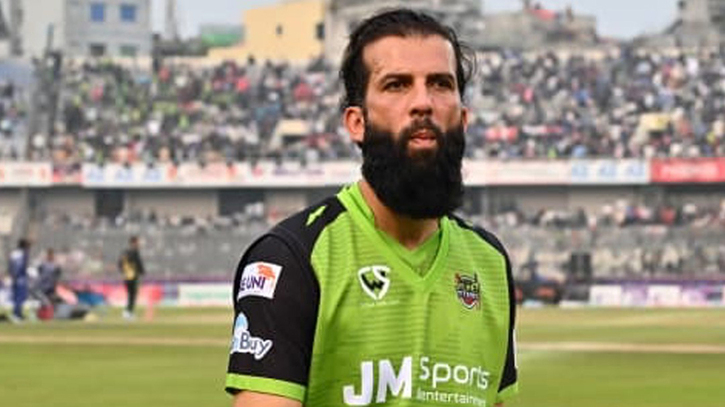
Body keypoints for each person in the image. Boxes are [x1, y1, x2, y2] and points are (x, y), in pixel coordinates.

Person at [225, 9, 518, 407]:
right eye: (397, 85)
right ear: (356, 122)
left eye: (440, 84)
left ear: (463, 118)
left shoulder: (490, 263)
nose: (423, 102)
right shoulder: (294, 258)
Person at [118, 235, 145, 320]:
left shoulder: (124, 252)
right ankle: (129, 312)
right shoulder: (134, 252)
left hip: (126, 276)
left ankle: (128, 312)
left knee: (130, 295)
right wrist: (142, 272)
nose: (139, 244)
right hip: (133, 276)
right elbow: (138, 264)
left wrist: (123, 272)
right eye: (138, 242)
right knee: (132, 295)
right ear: (134, 242)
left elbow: (120, 263)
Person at [8, 238, 31, 322]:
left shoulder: (14, 253)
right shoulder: (23, 254)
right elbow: (21, 266)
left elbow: (10, 266)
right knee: (19, 297)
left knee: (18, 297)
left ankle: (18, 314)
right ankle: (16, 314)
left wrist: (12, 275)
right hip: (20, 277)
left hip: (15, 277)